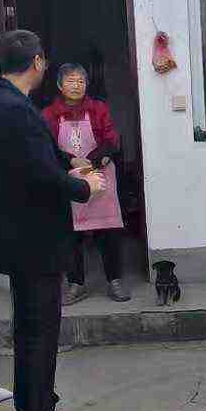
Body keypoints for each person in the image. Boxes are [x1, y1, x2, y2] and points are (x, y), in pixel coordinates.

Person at [0, 30, 103, 411]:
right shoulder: (12, 109)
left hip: (24, 240)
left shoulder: (0, 103)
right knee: (37, 340)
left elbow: (33, 161)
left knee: (34, 335)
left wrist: (68, 165)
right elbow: (37, 175)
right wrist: (84, 186)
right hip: (32, 244)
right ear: (37, 62)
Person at [43, 63, 131, 305]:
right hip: (67, 178)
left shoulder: (98, 109)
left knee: (109, 231)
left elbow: (111, 139)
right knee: (71, 234)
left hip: (99, 175)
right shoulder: (49, 114)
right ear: (60, 85)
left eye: (81, 81)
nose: (76, 85)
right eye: (71, 81)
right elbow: (46, 146)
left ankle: (115, 280)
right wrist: (70, 161)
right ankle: (76, 284)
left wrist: (98, 158)